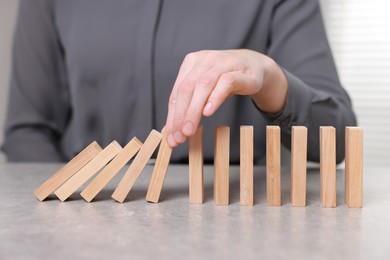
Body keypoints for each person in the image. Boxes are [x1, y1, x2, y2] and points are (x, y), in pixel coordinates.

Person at [1, 0, 357, 163]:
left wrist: (269, 78)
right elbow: (27, 134)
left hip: (233, 219)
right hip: (87, 216)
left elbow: (337, 137)